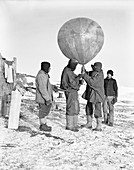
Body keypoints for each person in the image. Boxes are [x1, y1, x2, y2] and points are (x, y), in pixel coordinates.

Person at [60, 59, 82, 132]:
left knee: (75, 108)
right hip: (70, 91)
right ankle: (70, 125)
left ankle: (74, 124)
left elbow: (74, 79)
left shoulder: (69, 71)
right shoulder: (68, 71)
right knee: (71, 107)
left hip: (73, 91)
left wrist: (79, 78)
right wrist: (79, 78)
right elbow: (73, 83)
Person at [81, 62, 105, 131]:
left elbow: (92, 82)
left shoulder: (100, 75)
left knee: (97, 109)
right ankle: (89, 123)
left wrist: (84, 75)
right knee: (88, 108)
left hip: (97, 95)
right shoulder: (94, 73)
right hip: (91, 94)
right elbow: (88, 75)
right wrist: (84, 71)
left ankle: (99, 125)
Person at [35, 61, 53, 132]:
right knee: (43, 111)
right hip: (43, 98)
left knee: (45, 111)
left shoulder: (44, 75)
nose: (49, 69)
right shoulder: (41, 76)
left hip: (45, 98)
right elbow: (42, 88)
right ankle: (42, 125)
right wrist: (47, 98)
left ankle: (44, 124)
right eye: (48, 67)